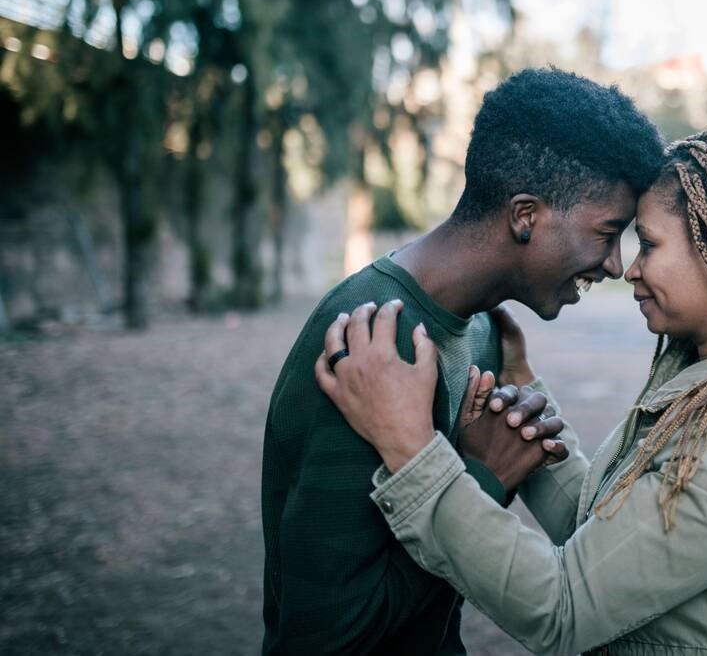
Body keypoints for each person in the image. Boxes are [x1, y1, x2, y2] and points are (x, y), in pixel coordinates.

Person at [317, 122, 707, 656]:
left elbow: (565, 609)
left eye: (650, 245)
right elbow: (606, 536)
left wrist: (409, 450)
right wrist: (524, 390)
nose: (628, 269)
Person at [261, 68, 666, 654]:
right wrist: (485, 479)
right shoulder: (371, 340)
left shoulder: (482, 331)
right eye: (607, 233)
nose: (613, 264)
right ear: (525, 215)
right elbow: (323, 636)